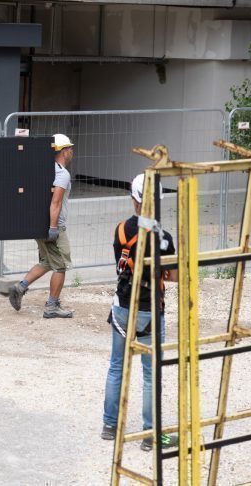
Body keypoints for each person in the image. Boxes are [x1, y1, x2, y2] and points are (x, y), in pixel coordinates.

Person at [100, 173, 178, 451]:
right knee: (150, 373)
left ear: (134, 199)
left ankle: (109, 425)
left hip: (122, 306)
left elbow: (122, 267)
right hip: (149, 309)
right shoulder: (163, 237)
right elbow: (174, 276)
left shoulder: (121, 230)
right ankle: (150, 434)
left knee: (116, 366)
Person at [8, 133, 74, 319]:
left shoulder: (40, 168)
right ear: (64, 151)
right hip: (53, 226)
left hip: (38, 223)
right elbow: (56, 202)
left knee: (47, 262)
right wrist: (53, 228)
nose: (72, 152)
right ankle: (51, 306)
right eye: (70, 149)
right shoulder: (61, 173)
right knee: (60, 266)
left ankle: (19, 288)